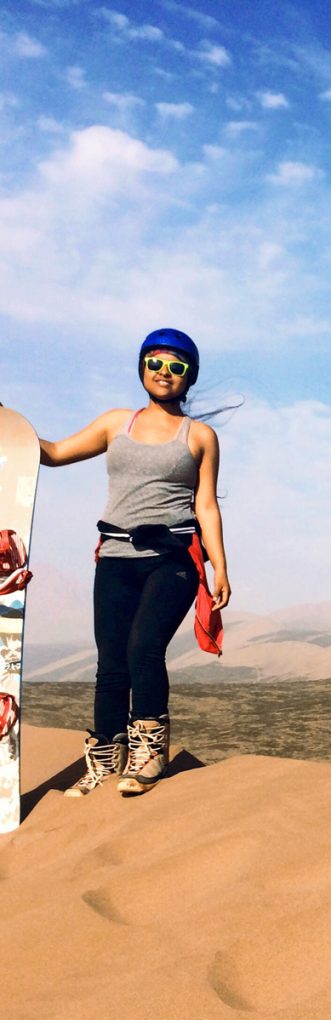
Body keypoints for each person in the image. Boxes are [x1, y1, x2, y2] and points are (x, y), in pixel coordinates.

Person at [39, 328, 230, 796]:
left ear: (190, 377)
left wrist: (220, 565)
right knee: (111, 661)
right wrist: (13, 428)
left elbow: (206, 504)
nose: (164, 372)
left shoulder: (200, 436)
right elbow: (56, 453)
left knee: (144, 646)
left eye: (177, 366)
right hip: (116, 557)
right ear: (142, 367)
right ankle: (105, 756)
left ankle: (149, 754)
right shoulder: (115, 424)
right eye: (156, 361)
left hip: (172, 557)